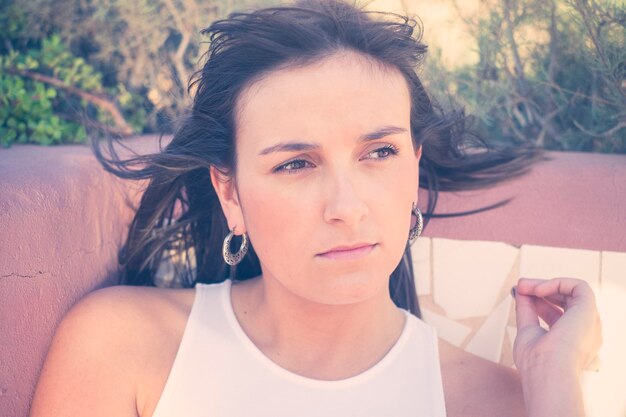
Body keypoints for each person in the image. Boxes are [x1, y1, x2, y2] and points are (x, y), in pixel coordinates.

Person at [29, 1, 602, 416]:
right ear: (230, 193)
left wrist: (554, 386)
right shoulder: (121, 345)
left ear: (414, 166)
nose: (347, 207)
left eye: (380, 152)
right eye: (296, 164)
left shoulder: (498, 402)